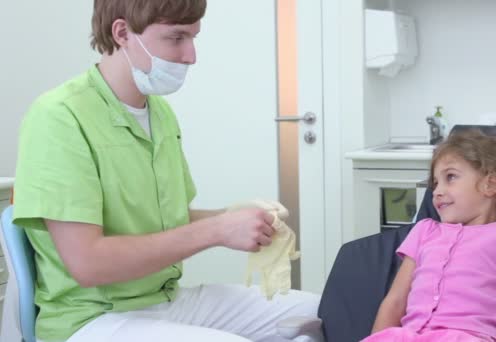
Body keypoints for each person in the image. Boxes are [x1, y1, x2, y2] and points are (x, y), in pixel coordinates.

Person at [9, 1, 319, 341]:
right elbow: (88, 263)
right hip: (91, 317)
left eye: (193, 37)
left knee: (322, 312)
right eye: (177, 38)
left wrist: (235, 217)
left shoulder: (160, 114)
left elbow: (170, 220)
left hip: (163, 298)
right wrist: (217, 230)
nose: (191, 55)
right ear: (123, 32)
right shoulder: (59, 117)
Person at [364, 129, 496, 342]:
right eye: (435, 182)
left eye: (451, 177)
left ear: (490, 184)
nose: (436, 191)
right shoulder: (424, 230)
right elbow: (396, 300)